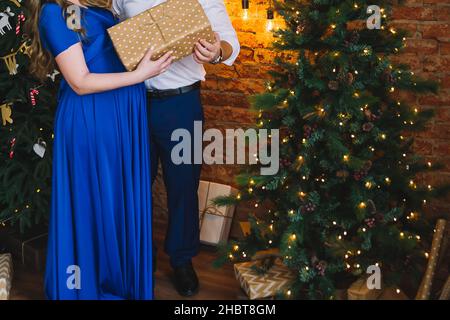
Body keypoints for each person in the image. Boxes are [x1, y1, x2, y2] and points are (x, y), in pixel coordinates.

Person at [27, 0, 173, 299]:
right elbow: (80, 81)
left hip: (121, 113)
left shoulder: (96, 6)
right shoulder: (58, 11)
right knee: (96, 199)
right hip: (92, 117)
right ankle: (88, 286)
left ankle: (118, 281)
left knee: (117, 198)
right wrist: (140, 75)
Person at [113, 0, 240, 297]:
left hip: (182, 104)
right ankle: (141, 254)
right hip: (134, 103)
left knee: (183, 186)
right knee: (134, 185)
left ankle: (182, 260)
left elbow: (229, 42)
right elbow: (115, 31)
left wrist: (216, 51)